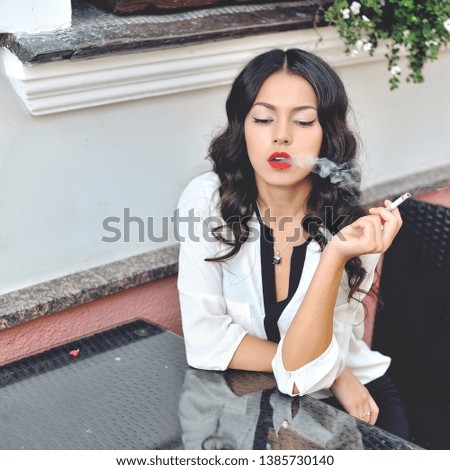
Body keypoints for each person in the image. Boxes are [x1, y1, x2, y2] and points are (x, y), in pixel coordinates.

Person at [176, 48, 409, 440]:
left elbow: (304, 373)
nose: (281, 135)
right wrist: (338, 373)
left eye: (303, 121)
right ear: (242, 127)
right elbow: (204, 342)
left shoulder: (349, 229)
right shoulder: (207, 201)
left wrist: (335, 255)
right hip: (258, 399)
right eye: (263, 118)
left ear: (326, 136)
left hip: (350, 406)